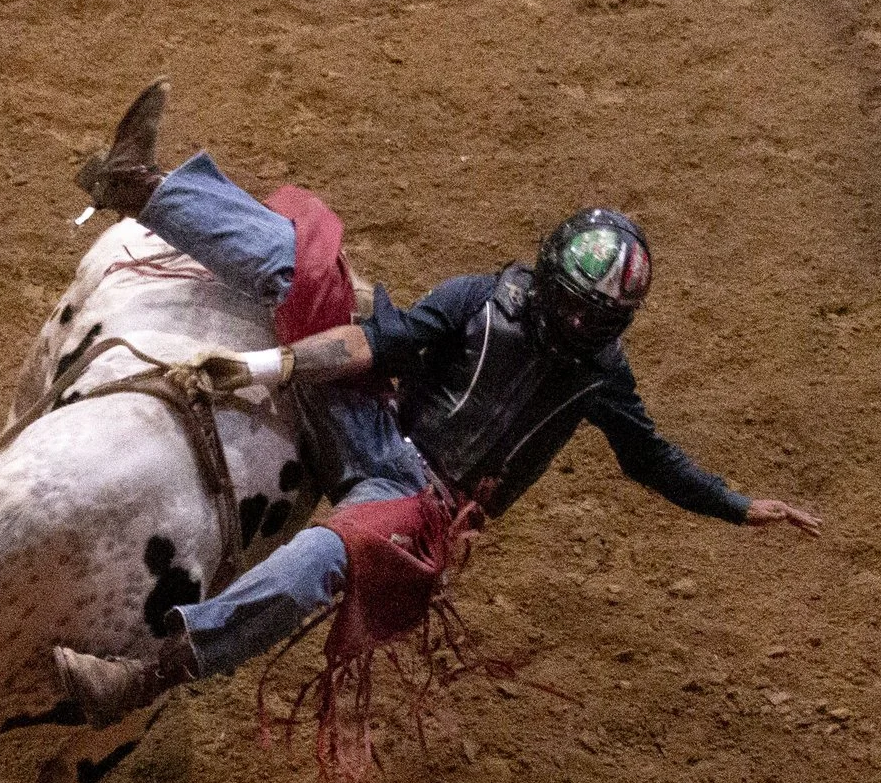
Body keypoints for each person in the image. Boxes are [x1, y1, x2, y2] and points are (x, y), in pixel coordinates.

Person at [50, 80, 823, 727]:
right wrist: (271, 365)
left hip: (418, 502)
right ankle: (139, 186)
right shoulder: (482, 300)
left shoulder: (599, 378)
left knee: (326, 557)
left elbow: (650, 458)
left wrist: (734, 503)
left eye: (594, 320)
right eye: (572, 306)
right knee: (306, 261)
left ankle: (142, 680)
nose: (576, 326)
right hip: (369, 419)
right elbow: (373, 345)